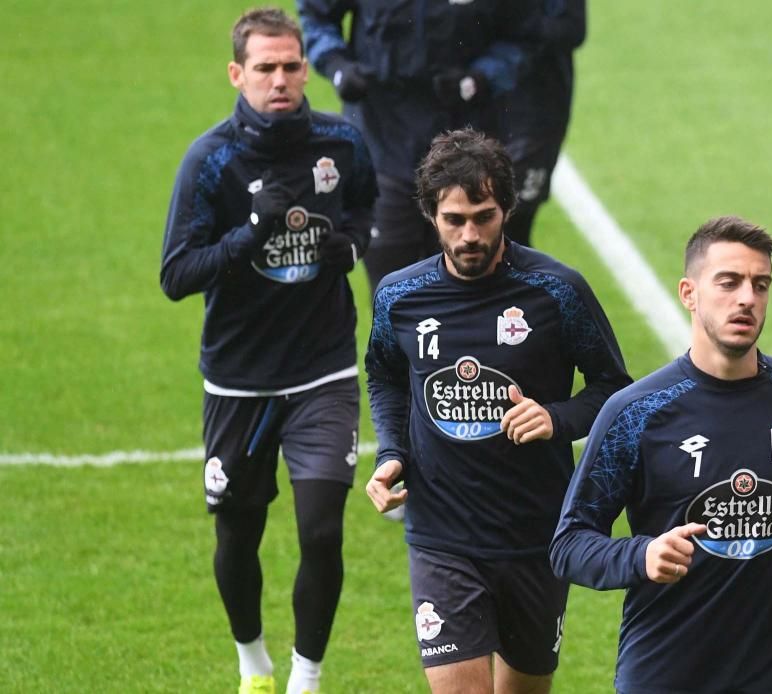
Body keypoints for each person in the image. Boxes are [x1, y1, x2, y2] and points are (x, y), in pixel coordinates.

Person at [550, 216, 772, 693]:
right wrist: (643, 555)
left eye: (761, 285)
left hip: (770, 675)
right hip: (663, 673)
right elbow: (569, 544)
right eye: (729, 282)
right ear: (689, 293)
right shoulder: (635, 413)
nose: (747, 298)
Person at [364, 128, 631, 694]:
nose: (469, 235)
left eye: (483, 216)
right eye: (454, 219)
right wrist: (392, 453)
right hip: (442, 537)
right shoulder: (399, 297)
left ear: (507, 209)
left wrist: (557, 419)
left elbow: (613, 388)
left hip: (535, 535)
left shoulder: (556, 292)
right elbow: (385, 374)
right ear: (430, 215)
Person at [160, 8, 376, 694]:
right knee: (238, 536)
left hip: (324, 371)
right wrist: (248, 235)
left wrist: (355, 244)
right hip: (239, 381)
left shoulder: (341, 144)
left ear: (305, 69)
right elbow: (175, 275)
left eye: (290, 66)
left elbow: (369, 210)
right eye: (265, 68)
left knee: (320, 532)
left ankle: (305, 678)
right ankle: (253, 662)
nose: (280, 80)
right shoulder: (211, 160)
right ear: (237, 74)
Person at [296, 0, 533, 299]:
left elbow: (525, 32)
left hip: (466, 155)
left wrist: (479, 79)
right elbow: (317, 14)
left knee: (472, 293)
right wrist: (337, 65)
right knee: (393, 295)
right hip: (382, 145)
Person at [500, 0, 586, 247]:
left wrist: (501, 18)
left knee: (512, 226)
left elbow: (570, 27)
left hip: (532, 113)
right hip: (463, 105)